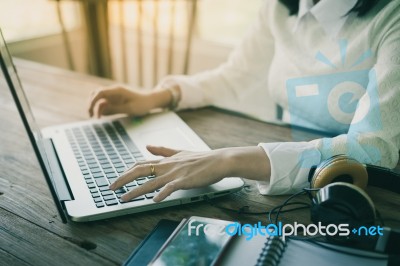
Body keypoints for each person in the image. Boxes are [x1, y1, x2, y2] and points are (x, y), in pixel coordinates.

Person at [88, 0, 400, 203]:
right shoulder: (279, 8)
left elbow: (375, 149)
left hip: (371, 193)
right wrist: (159, 96)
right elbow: (236, 75)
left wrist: (229, 160)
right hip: (296, 176)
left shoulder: (392, 16)